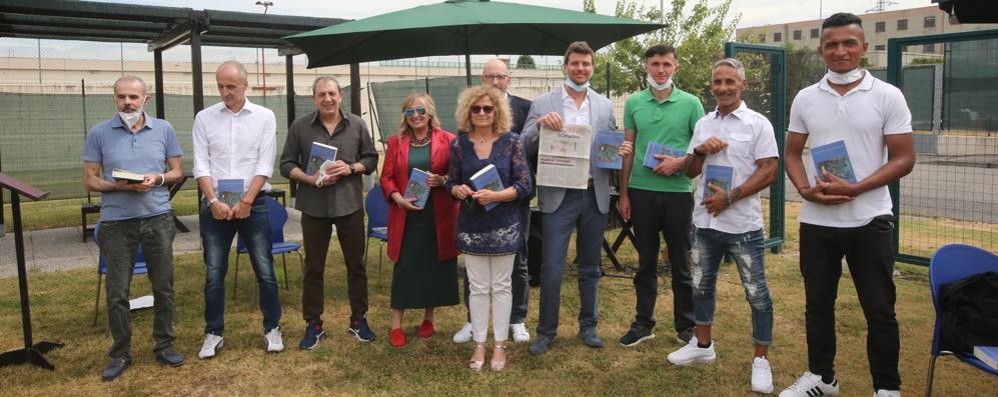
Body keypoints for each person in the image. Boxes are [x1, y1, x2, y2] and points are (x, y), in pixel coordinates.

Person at [779, 12, 915, 397]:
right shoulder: (806, 97)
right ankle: (823, 378)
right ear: (821, 49)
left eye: (849, 43)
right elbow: (791, 152)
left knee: (880, 310)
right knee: (818, 306)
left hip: (869, 219)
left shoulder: (888, 95)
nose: (840, 51)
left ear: (864, 47)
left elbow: (904, 157)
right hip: (817, 221)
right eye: (832, 44)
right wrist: (804, 188)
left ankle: (887, 388)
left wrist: (857, 188)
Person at [663, 58, 778, 395]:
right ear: (711, 86)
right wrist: (699, 150)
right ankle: (702, 346)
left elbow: (769, 170)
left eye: (730, 82)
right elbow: (690, 171)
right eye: (718, 82)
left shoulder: (758, 124)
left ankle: (761, 359)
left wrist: (730, 198)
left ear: (742, 85)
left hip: (743, 224)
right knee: (701, 286)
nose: (723, 88)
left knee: (756, 293)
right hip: (704, 222)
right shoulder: (703, 123)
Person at [522, 41, 632, 356]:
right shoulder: (543, 103)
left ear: (592, 67)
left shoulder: (603, 104)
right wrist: (540, 127)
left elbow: (607, 149)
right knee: (552, 268)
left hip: (593, 194)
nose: (580, 69)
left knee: (590, 266)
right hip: (558, 196)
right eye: (575, 63)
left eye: (586, 64)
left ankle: (589, 327)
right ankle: (546, 331)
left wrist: (618, 150)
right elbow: (522, 145)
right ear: (565, 66)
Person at [83, 75, 184, 381]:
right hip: (115, 222)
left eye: (133, 97)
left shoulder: (163, 129)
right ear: (114, 99)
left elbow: (177, 171)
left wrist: (158, 178)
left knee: (163, 286)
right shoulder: (99, 132)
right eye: (122, 97)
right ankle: (120, 352)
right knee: (117, 291)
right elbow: (89, 178)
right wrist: (115, 186)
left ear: (145, 99)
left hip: (157, 217)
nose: (128, 102)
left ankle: (164, 344)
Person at [279, 76, 379, 350]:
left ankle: (359, 319)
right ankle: (314, 324)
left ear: (341, 95)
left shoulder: (357, 124)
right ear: (314, 98)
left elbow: (371, 159)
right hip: (313, 207)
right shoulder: (301, 126)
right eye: (321, 94)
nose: (327, 99)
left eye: (332, 93)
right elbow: (286, 164)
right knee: (313, 267)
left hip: (349, 205)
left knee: (356, 266)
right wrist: (308, 179)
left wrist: (351, 168)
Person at [194, 60, 283, 359]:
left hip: (253, 204)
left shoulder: (264, 117)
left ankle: (272, 328)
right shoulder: (204, 118)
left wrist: (246, 202)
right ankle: (213, 333)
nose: (225, 91)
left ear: (246, 85)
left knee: (265, 270)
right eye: (220, 86)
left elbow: (264, 164)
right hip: (215, 206)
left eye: (231, 86)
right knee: (214, 274)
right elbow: (201, 164)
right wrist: (213, 202)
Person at [617, 44, 704, 348]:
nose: (661, 69)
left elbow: (700, 150)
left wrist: (679, 164)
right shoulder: (634, 102)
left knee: (681, 262)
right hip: (641, 192)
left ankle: (687, 325)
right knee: (645, 262)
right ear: (646, 67)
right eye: (655, 64)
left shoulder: (692, 103)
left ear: (675, 67)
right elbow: (628, 151)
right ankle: (643, 323)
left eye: (666, 64)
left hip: (678, 192)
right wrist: (624, 193)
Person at [446, 85, 532, 371]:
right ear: (467, 111)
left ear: (497, 111)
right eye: (476, 108)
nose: (482, 113)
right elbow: (451, 181)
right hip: (472, 225)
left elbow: (525, 186)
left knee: (502, 286)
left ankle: (500, 346)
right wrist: (455, 189)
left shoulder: (512, 142)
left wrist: (495, 196)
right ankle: (480, 344)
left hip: (505, 224)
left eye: (488, 108)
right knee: (479, 288)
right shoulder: (458, 145)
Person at [380, 93, 460, 348]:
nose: (416, 116)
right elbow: (387, 177)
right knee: (404, 270)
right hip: (407, 216)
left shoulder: (448, 140)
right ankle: (396, 325)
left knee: (433, 268)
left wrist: (443, 180)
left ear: (430, 113)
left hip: (438, 216)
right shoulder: (396, 142)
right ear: (404, 116)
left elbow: (458, 174)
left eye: (421, 111)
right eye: (410, 112)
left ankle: (428, 319)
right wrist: (397, 198)